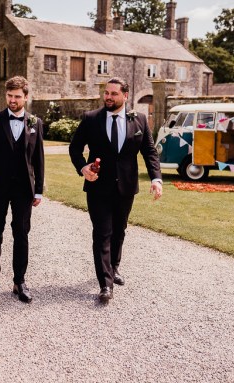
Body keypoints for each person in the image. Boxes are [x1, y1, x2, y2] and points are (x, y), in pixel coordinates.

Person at [69, 77, 162, 304]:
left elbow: (149, 151)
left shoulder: (139, 120)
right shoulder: (91, 119)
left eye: (113, 93)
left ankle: (114, 266)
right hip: (98, 186)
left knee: (119, 230)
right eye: (106, 93)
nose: (108, 97)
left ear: (125, 96)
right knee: (102, 233)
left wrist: (156, 178)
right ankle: (105, 284)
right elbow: (75, 148)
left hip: (126, 187)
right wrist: (83, 168)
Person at [0, 76, 44, 303]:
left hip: (24, 188)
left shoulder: (35, 123)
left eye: (17, 97)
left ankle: (19, 281)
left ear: (26, 97)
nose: (12, 100)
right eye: (9, 96)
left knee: (21, 232)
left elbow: (39, 159)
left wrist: (39, 190)